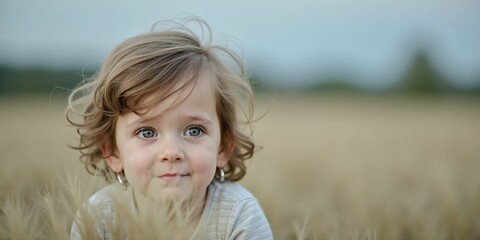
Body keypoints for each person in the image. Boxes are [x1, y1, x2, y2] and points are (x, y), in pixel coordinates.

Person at [67, 18, 273, 239]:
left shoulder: (239, 215)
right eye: (147, 132)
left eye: (194, 131)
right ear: (113, 152)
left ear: (223, 147)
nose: (171, 152)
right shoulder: (99, 218)